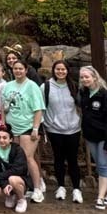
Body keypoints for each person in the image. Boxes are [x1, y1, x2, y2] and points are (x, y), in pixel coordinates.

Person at [0, 60, 46, 203]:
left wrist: (35, 128)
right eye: (15, 69)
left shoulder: (32, 86)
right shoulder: (8, 86)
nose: (18, 71)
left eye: (21, 69)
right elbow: (4, 106)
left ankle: (38, 188)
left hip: (28, 126)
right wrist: (3, 123)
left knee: (27, 157)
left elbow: (38, 108)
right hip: (12, 127)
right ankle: (22, 186)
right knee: (14, 159)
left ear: (26, 70)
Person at [78, 66, 107, 210]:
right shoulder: (84, 93)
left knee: (102, 164)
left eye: (87, 77)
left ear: (95, 77)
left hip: (106, 136)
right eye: (82, 77)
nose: (84, 79)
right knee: (102, 166)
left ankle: (100, 197)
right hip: (91, 135)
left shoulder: (105, 94)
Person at [42, 60, 83, 203]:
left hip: (73, 128)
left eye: (63, 69)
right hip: (54, 129)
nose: (60, 72)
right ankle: (61, 186)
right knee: (58, 158)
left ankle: (76, 189)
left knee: (72, 159)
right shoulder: (46, 86)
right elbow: (41, 106)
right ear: (53, 70)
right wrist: (46, 123)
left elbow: (80, 105)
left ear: (67, 71)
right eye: (58, 69)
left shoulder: (73, 86)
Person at [0, 124, 31, 213]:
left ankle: (21, 199)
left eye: (5, 138)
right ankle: (11, 195)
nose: (1, 140)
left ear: (11, 139)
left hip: (19, 179)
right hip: (5, 179)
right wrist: (4, 184)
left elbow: (18, 169)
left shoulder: (17, 150)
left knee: (12, 179)